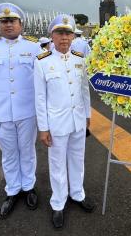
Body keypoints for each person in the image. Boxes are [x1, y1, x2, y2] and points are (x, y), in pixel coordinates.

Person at [0, 2, 40, 219]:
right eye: (4, 21)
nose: (8, 25)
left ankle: (29, 186)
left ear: (21, 24)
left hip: (28, 110)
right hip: (0, 111)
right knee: (9, 153)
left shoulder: (34, 47)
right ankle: (13, 190)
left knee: (28, 150)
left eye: (12, 21)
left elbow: (42, 82)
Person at [34, 14, 94, 229]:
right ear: (52, 35)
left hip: (78, 120)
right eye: (60, 33)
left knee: (78, 159)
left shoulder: (80, 59)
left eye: (68, 33)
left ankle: (77, 193)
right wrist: (43, 128)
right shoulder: (42, 62)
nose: (64, 37)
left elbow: (84, 90)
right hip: (56, 123)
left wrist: (88, 115)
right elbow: (40, 98)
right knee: (58, 164)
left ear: (73, 36)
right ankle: (58, 202)